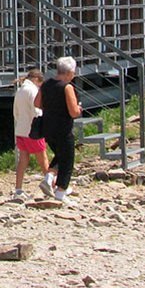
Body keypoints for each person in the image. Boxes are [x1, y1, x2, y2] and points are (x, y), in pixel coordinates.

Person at [38, 56, 82, 204]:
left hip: (48, 127)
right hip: (63, 128)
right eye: (73, 72)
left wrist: (51, 106)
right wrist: (79, 109)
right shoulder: (67, 87)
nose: (74, 75)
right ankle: (61, 192)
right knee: (67, 160)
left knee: (60, 155)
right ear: (68, 72)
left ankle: (49, 177)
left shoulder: (46, 84)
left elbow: (37, 103)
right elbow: (73, 112)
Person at [12, 69, 52, 197]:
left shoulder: (20, 91)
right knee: (43, 159)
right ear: (36, 80)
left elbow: (16, 112)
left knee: (23, 160)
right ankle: (51, 185)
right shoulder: (33, 90)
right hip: (33, 131)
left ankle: (18, 189)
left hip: (20, 130)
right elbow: (37, 111)